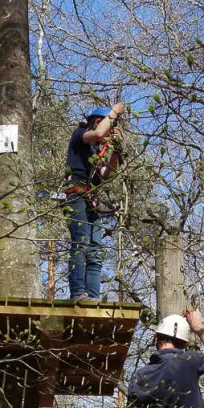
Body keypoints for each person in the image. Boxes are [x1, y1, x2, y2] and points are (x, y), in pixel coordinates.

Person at [64, 102, 124, 303]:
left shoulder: (95, 154)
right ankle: (78, 293)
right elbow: (98, 133)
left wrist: (115, 150)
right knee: (81, 241)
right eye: (104, 123)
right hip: (76, 194)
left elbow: (107, 175)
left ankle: (92, 296)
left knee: (95, 249)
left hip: (92, 199)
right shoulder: (81, 134)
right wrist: (115, 111)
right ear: (95, 122)